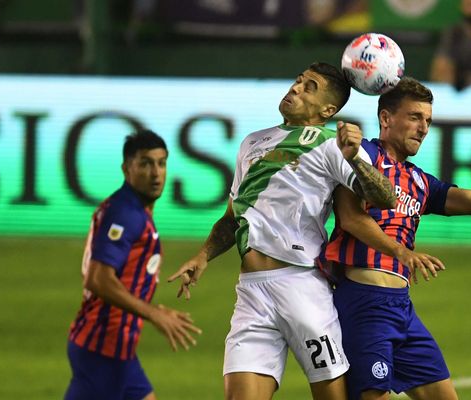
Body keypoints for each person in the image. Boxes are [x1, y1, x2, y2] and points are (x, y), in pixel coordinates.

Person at [167, 62, 397, 400]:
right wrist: (202, 256)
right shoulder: (252, 143)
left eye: (310, 87)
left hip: (302, 288)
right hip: (251, 292)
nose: (296, 88)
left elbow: (386, 197)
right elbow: (232, 218)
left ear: (328, 110)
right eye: (298, 81)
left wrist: (357, 159)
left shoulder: (334, 145)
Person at [322, 77, 471, 400]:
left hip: (401, 307)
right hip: (364, 301)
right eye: (415, 117)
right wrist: (402, 253)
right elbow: (350, 218)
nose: (423, 128)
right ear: (386, 119)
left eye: (428, 121)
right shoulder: (360, 155)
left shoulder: (419, 181)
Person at [65, 130, 202, 400]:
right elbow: (98, 278)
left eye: (161, 163)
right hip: (103, 347)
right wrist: (153, 314)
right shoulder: (126, 214)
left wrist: (154, 308)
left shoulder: (132, 209)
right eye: (145, 163)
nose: (156, 173)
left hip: (113, 347)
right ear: (127, 168)